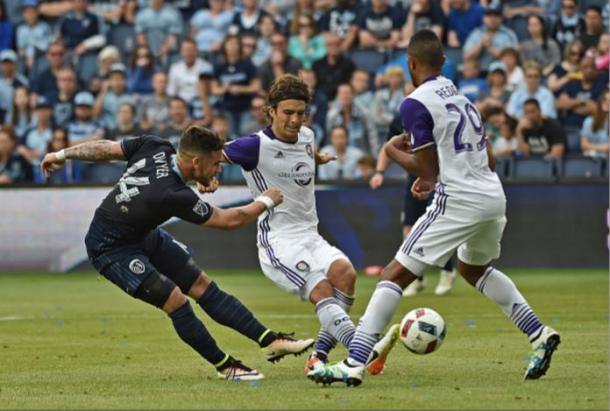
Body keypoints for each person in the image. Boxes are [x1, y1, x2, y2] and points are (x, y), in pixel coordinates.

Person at [307, 30, 560, 387]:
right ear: (443, 63)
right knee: (474, 269)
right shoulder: (463, 99)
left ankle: (353, 362)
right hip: (492, 195)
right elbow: (482, 155)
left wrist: (393, 151)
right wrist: (433, 176)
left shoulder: (415, 103)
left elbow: (428, 168)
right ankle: (538, 333)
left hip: (459, 199)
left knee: (392, 275)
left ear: (410, 63)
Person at [39, 125, 314, 380]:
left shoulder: (155, 145)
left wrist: (62, 154)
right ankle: (226, 366)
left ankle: (269, 340)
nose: (218, 169)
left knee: (201, 285)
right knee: (175, 300)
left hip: (143, 235)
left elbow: (105, 148)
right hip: (110, 248)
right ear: (196, 162)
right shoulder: (173, 194)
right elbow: (228, 221)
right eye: (215, 164)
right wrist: (266, 200)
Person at [220, 74, 397, 375]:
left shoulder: (307, 135)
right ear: (271, 111)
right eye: (287, 113)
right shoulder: (254, 146)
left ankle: (318, 358)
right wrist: (207, 176)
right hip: (278, 241)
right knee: (322, 289)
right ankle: (361, 351)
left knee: (346, 274)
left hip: (309, 234)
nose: (294, 120)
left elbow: (302, 151)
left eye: (300, 113)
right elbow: (215, 155)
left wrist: (317, 157)